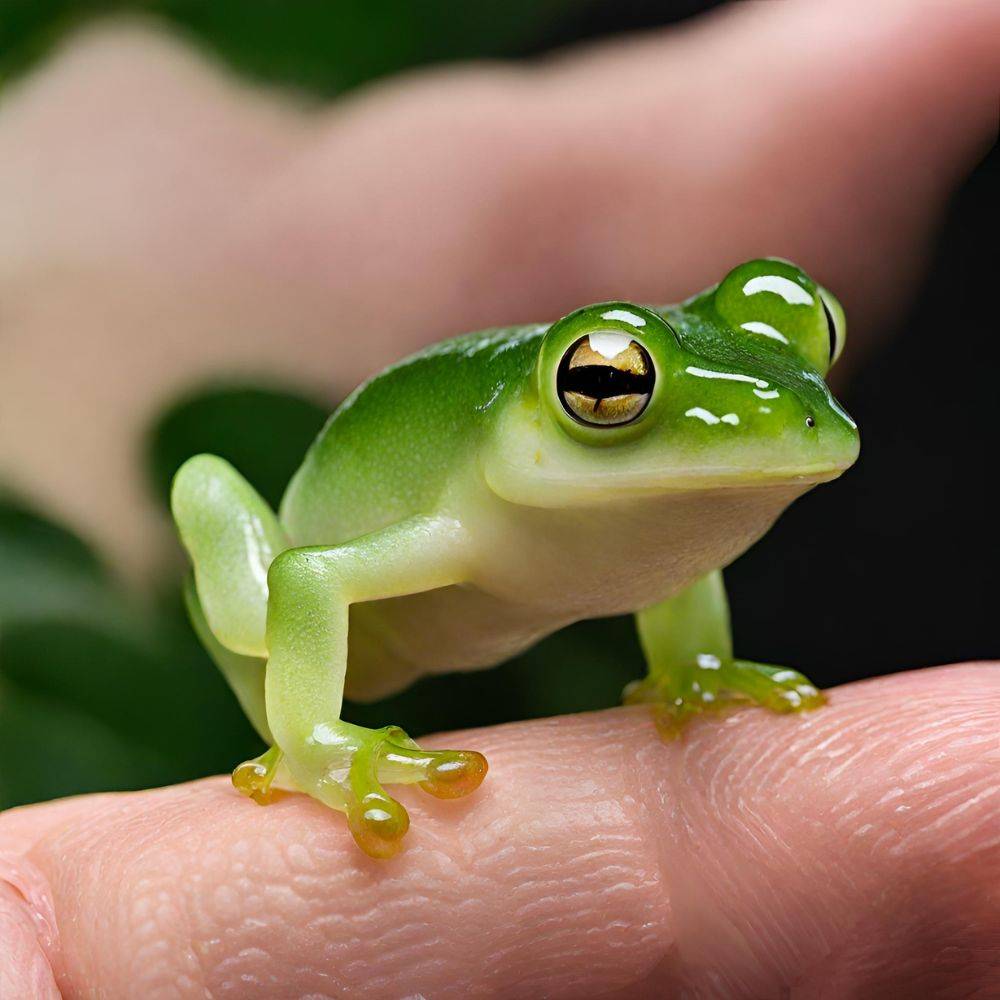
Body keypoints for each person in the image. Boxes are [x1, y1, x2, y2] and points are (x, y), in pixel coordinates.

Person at [1, 1, 997, 995]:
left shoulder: (639, 518)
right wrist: (307, 737)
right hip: (317, 618)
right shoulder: (460, 523)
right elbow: (312, 571)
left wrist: (691, 662)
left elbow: (676, 551)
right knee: (242, 557)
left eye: (808, 333)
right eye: (607, 389)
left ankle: (689, 655)